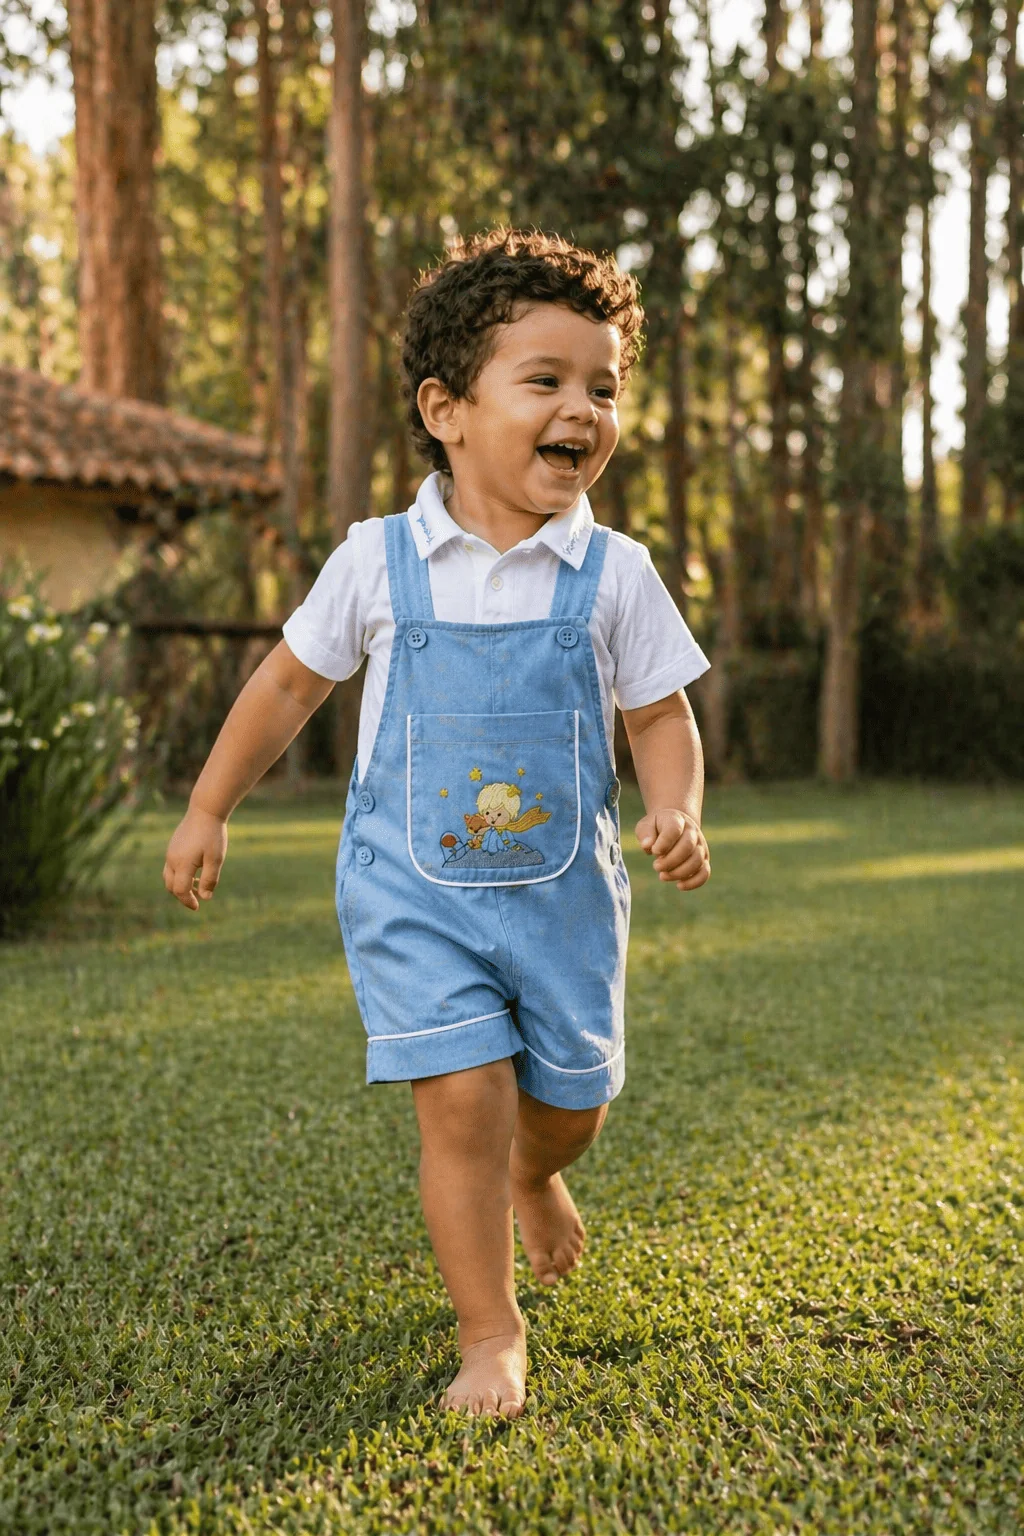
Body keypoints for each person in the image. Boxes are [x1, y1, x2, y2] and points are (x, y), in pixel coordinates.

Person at [163, 226, 712, 1420]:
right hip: (414, 895)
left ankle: (535, 1172)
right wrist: (209, 806)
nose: (585, 409)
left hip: (563, 897)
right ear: (447, 409)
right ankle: (489, 1331)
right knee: (461, 1097)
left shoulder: (615, 572)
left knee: (572, 1109)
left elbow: (661, 714)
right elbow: (284, 688)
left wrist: (673, 803)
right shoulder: (377, 561)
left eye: (603, 388)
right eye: (548, 381)